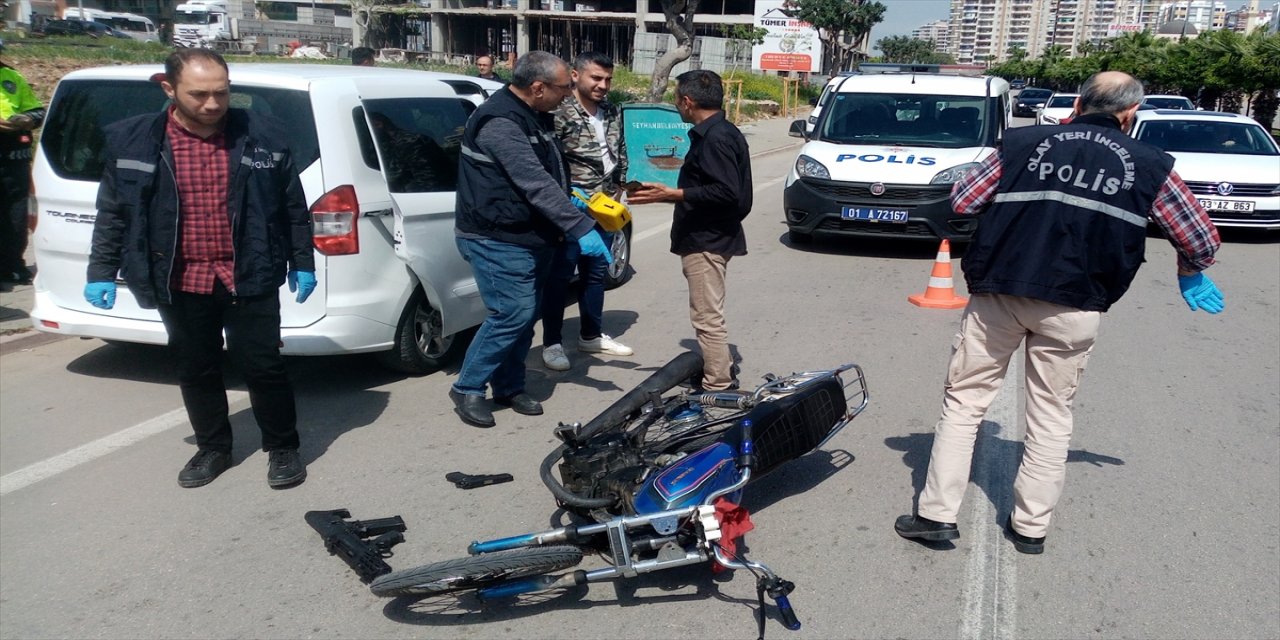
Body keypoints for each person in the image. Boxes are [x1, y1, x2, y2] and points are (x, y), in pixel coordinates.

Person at [893, 71, 1223, 554]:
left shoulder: (1022, 143)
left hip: (1001, 292)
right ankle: (1030, 528)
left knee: (965, 405)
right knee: (1051, 416)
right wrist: (1190, 269)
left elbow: (963, 200)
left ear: (1080, 102)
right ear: (1130, 114)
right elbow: (1200, 238)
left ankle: (937, 518)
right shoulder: (1152, 164)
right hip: (1077, 302)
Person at [84, 49, 316, 489]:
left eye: (221, 93)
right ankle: (213, 447)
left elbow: (292, 207)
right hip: (178, 275)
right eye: (199, 94)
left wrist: (303, 261)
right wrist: (101, 270)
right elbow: (114, 212)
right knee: (196, 366)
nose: (212, 104)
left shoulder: (265, 135)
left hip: (248, 271)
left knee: (263, 365)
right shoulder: (133, 141)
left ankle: (283, 447)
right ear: (168, 89)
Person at [450, 50, 612, 428]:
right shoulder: (500, 121)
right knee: (512, 313)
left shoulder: (534, 114)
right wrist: (582, 227)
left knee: (525, 317)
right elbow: (533, 183)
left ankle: (508, 385)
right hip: (496, 237)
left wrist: (569, 195)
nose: (569, 93)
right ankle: (468, 385)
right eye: (563, 87)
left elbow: (546, 173)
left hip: (531, 235)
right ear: (538, 88)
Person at [628, 70, 752, 391]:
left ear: (687, 101)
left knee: (707, 316)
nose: (677, 106)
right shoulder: (721, 133)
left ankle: (718, 384)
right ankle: (719, 367)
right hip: (712, 235)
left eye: (676, 100)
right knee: (709, 312)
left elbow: (728, 192)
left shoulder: (716, 138)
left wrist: (673, 194)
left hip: (707, 240)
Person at [541, 51, 632, 371]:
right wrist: (564, 200)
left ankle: (590, 335)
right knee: (561, 277)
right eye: (596, 77)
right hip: (570, 208)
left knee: (596, 274)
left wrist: (622, 189)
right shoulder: (559, 112)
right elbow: (547, 162)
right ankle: (551, 343)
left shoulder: (611, 110)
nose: (603, 85)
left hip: (605, 207)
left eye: (608, 79)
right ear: (576, 76)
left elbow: (620, 151)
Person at [0, 38, 45, 287]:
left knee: (17, 216)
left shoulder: (11, 76)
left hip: (14, 159)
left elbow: (37, 110)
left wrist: (27, 120)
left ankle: (12, 265)